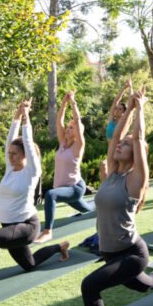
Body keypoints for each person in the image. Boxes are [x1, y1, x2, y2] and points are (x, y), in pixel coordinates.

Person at [81, 87, 153, 306]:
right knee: (144, 285)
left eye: (126, 145)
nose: (120, 145)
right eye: (120, 143)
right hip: (109, 252)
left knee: (89, 286)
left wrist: (141, 108)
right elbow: (115, 136)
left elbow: (136, 138)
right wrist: (129, 106)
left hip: (131, 253)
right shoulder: (113, 173)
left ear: (135, 153)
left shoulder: (136, 179)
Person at [0, 99, 69, 306]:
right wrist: (16, 117)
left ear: (25, 156)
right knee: (30, 264)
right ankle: (59, 247)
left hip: (26, 226)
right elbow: (11, 139)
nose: (10, 157)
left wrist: (26, 119)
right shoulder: (10, 169)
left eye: (14, 154)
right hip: (9, 226)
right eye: (9, 154)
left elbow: (27, 142)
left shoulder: (31, 172)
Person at [35, 91, 92, 243]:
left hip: (74, 188)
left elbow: (78, 121)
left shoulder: (78, 146)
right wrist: (64, 103)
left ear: (78, 132)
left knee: (51, 195)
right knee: (90, 212)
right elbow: (58, 121)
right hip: (64, 188)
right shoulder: (62, 144)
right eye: (68, 127)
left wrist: (73, 102)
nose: (67, 129)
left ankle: (47, 231)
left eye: (71, 128)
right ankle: (102, 212)